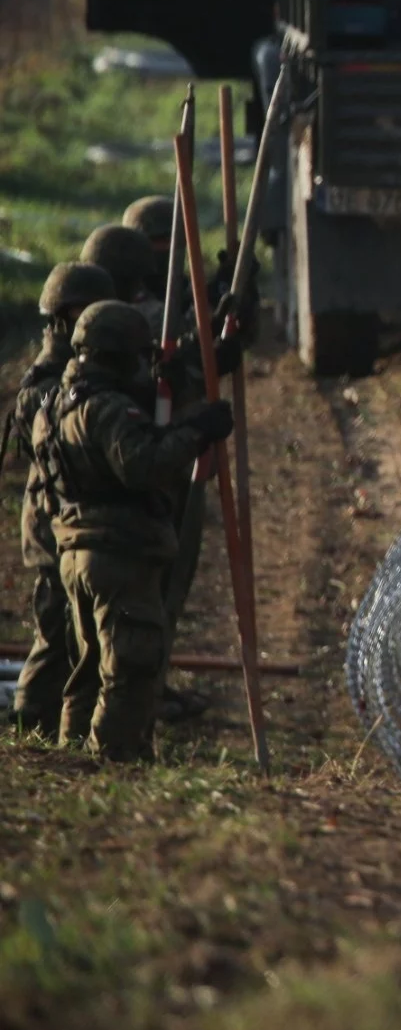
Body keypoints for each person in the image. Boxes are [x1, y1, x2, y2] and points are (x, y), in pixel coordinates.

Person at [33, 301, 234, 761]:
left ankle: (72, 759)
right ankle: (114, 763)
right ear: (120, 355)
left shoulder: (57, 402)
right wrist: (198, 431)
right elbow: (142, 465)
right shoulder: (106, 409)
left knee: (87, 671)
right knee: (130, 668)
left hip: (75, 551)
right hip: (116, 555)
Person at [5, 263, 117, 738]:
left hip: (63, 521)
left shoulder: (68, 370)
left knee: (71, 634)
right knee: (55, 633)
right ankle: (30, 720)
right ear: (71, 313)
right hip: (51, 525)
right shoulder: (48, 382)